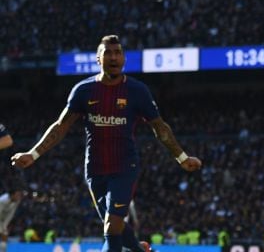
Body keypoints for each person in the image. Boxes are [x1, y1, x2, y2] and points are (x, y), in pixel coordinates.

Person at [10, 35, 202, 252]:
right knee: (115, 225)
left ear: (124, 59)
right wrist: (33, 154)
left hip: (124, 167)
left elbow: (160, 127)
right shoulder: (83, 90)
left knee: (111, 227)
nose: (113, 57)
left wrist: (182, 158)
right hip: (95, 169)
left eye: (118, 53)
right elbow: (60, 126)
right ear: (98, 59)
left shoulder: (137, 91)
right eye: (108, 53)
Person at [0, 187, 24, 252]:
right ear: (12, 195)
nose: (19, 197)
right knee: (3, 233)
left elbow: (11, 214)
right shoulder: (2, 201)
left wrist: (5, 225)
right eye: (17, 195)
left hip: (2, 218)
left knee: (4, 234)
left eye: (19, 195)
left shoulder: (17, 201)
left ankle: (3, 250)